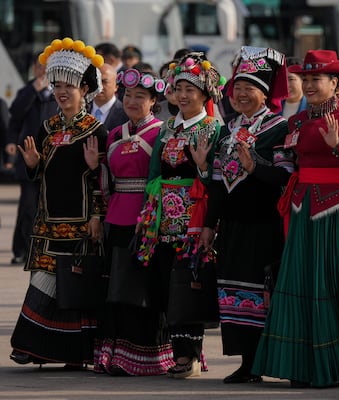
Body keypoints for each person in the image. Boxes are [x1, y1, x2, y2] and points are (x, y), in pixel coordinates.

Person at [252, 49, 339, 388]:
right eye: (306, 78)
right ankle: (307, 364)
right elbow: (283, 159)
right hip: (302, 207)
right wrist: (253, 161)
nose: (310, 85)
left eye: (317, 79)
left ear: (335, 83)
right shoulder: (296, 122)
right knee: (304, 282)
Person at [9, 37, 107, 367]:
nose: (62, 92)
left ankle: (75, 356)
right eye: (58, 85)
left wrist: (96, 214)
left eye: (70, 85)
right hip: (48, 223)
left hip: (81, 225)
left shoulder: (96, 130)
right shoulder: (47, 128)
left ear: (85, 88)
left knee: (75, 291)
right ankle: (31, 345)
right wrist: (34, 165)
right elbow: (38, 175)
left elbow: (100, 180)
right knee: (43, 284)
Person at [198, 46, 292, 384]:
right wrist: (210, 225)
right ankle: (246, 361)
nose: (240, 94)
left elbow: (285, 176)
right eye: (236, 87)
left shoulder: (279, 129)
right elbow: (218, 184)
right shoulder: (228, 129)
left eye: (248, 88)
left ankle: (263, 360)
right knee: (233, 293)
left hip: (264, 224)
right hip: (233, 224)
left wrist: (257, 166)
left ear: (264, 94)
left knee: (260, 293)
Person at [136, 51, 225, 379]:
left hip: (194, 217)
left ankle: (188, 356)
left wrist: (202, 169)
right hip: (162, 218)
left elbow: (217, 178)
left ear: (204, 94)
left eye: (191, 89)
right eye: (179, 88)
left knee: (187, 285)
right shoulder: (168, 128)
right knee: (163, 283)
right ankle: (175, 352)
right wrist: (148, 213)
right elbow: (154, 171)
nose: (184, 95)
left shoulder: (212, 129)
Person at [92, 66, 173, 376]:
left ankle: (144, 357)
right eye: (128, 95)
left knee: (143, 287)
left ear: (154, 101)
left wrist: (150, 215)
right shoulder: (114, 133)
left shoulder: (162, 133)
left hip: (148, 218)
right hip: (117, 215)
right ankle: (114, 355)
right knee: (116, 287)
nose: (132, 101)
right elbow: (106, 180)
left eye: (141, 96)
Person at [5, 59, 57, 265]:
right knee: (28, 206)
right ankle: (25, 251)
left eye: (46, 67)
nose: (42, 70)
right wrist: (10, 143)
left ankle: (33, 249)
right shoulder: (27, 91)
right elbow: (15, 116)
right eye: (38, 67)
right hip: (27, 157)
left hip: (51, 158)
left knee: (42, 206)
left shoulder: (59, 92)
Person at [90, 63, 128, 132]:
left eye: (104, 82)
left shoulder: (126, 114)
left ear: (116, 86)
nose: (99, 86)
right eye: (96, 81)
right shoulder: (80, 111)